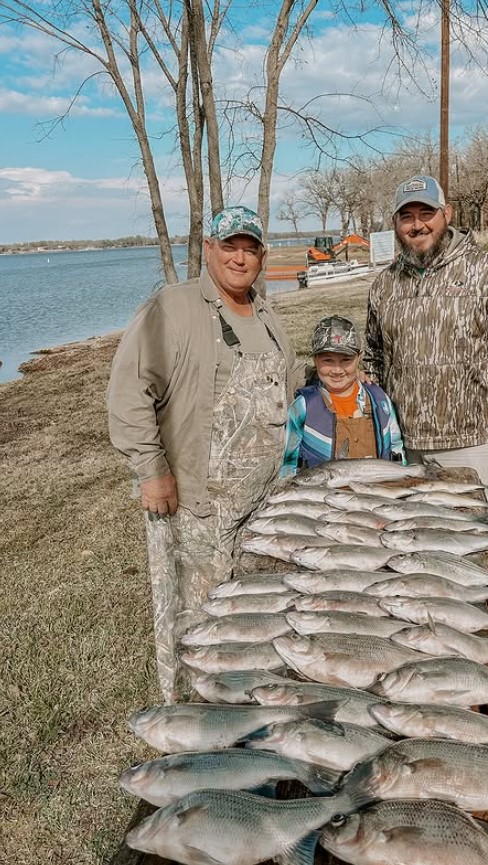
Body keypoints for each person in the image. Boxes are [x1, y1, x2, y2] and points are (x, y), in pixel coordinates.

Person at [107, 205, 300, 703]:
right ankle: (194, 721)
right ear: (209, 249)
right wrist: (151, 470)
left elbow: (284, 389)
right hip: (198, 502)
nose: (240, 258)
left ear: (262, 255)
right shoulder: (173, 307)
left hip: (260, 504)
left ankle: (243, 708)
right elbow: (129, 392)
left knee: (247, 615)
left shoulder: (266, 313)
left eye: (250, 248)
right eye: (229, 246)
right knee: (197, 618)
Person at [364, 175, 488, 513]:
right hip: (405, 445)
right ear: (396, 223)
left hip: (470, 442)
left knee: (473, 542)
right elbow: (373, 355)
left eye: (426, 213)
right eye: (406, 216)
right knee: (415, 543)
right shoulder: (384, 284)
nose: (417, 225)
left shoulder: (487, 271)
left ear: (447, 213)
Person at [281, 315, 405, 475]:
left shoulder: (379, 400)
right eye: (328, 360)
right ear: (315, 359)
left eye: (346, 360)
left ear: (359, 357)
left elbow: (396, 447)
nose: (337, 370)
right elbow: (288, 460)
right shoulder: (303, 407)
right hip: (321, 495)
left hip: (378, 491)